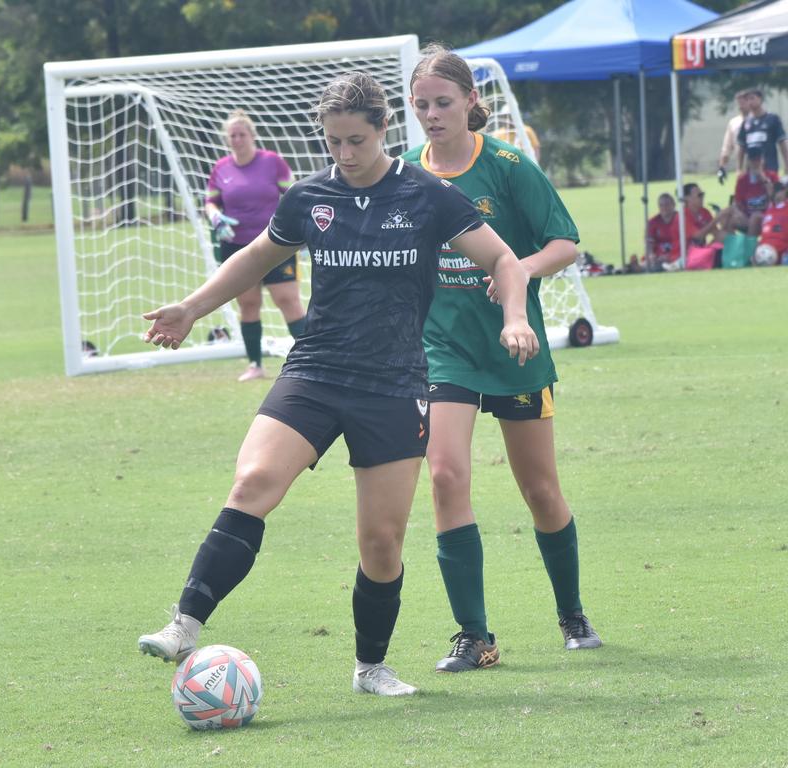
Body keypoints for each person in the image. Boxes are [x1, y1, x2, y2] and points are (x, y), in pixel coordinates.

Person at [138, 71, 539, 697]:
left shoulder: (426, 195)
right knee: (252, 482)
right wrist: (193, 307)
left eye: (355, 140)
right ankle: (184, 624)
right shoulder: (309, 196)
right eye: (332, 142)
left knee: (382, 543)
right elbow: (254, 258)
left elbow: (504, 260)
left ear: (383, 129)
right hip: (316, 370)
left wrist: (515, 316)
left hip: (394, 383)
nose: (344, 155)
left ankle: (370, 667)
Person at [403, 44, 601, 675]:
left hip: (516, 349)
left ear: (469, 103)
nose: (433, 115)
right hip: (444, 353)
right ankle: (474, 636)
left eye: (443, 102)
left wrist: (518, 269)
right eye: (422, 105)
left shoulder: (511, 166)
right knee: (444, 477)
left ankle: (571, 614)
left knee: (541, 491)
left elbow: (565, 242)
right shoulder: (405, 173)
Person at [205, 109, 307, 381]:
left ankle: (312, 361)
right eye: (232, 135)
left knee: (288, 300)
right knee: (248, 303)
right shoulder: (221, 168)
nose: (237, 139)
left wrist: (298, 224)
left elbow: (294, 193)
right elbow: (211, 200)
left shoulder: (272, 162)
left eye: (241, 134)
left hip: (276, 244)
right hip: (237, 246)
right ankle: (255, 365)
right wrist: (215, 216)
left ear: (252, 135)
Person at [737, 88, 788, 175]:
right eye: (748, 99)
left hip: (769, 167)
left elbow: (782, 142)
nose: (750, 102)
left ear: (760, 99)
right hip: (751, 170)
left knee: (770, 187)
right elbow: (741, 147)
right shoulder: (746, 123)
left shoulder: (772, 119)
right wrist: (739, 168)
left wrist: (786, 163)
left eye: (752, 98)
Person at [717, 90, 750, 185]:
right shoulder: (734, 123)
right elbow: (727, 148)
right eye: (739, 103)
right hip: (742, 167)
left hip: (760, 165)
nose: (741, 106)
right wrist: (722, 167)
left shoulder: (760, 120)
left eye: (743, 102)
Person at [646, 193, 680, 272]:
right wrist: (651, 255)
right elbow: (649, 243)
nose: (664, 208)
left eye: (667, 204)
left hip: (676, 255)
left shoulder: (681, 219)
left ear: (673, 205)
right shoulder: (653, 222)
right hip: (658, 257)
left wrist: (670, 256)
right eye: (661, 205)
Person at [758, 181, 788, 265]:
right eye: (775, 191)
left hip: (783, 249)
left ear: (785, 192)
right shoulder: (769, 210)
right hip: (765, 248)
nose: (776, 194)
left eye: (779, 191)